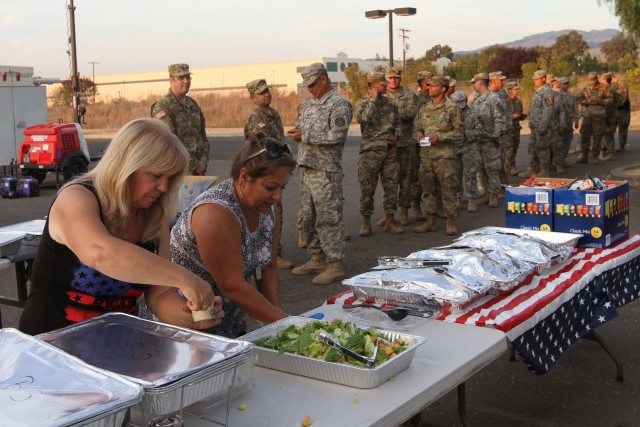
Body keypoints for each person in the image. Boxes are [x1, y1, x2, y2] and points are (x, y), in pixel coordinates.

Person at [18, 118, 223, 335]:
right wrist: (185, 278)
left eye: (169, 178)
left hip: (115, 347)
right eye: (155, 175)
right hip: (51, 346)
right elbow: (100, 253)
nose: (163, 187)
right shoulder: (76, 197)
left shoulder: (154, 216)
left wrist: (189, 316)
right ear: (126, 166)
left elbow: (160, 295)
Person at [171, 135, 294, 338]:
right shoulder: (215, 213)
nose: (278, 196)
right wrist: (287, 324)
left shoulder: (267, 206)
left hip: (230, 318)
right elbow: (232, 285)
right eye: (271, 187)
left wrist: (277, 327)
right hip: (189, 325)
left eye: (283, 187)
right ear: (244, 177)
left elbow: (269, 267)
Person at [288, 63, 353, 285]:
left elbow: (336, 136)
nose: (310, 89)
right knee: (309, 218)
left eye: (313, 84)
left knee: (328, 219)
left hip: (326, 171)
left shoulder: (339, 104)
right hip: (307, 168)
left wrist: (305, 136)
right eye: (307, 85)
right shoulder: (308, 103)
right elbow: (301, 127)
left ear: (324, 79)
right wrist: (298, 133)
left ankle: (335, 264)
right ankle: (317, 258)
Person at [243, 79, 294, 270]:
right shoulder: (254, 118)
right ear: (252, 97)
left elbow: (279, 141)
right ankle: (268, 254)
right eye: (261, 92)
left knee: (276, 213)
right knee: (264, 213)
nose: (267, 95)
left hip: (277, 170)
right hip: (264, 174)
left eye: (267, 91)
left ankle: (274, 252)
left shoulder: (273, 114)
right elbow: (252, 148)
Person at [412, 75, 464, 235]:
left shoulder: (452, 108)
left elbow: (460, 133)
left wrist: (440, 137)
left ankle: (450, 221)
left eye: (433, 86)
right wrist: (419, 136)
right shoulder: (424, 108)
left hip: (445, 157)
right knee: (428, 190)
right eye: (428, 86)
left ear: (443, 89)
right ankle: (430, 221)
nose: (429, 88)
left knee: (448, 190)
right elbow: (416, 128)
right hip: (426, 156)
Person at [354, 72, 403, 236]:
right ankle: (366, 223)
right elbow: (363, 119)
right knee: (367, 189)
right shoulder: (362, 102)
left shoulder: (391, 103)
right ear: (374, 86)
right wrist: (373, 100)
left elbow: (398, 123)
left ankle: (390, 221)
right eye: (382, 84)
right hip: (370, 152)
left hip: (389, 151)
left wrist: (396, 135)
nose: (386, 86)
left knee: (391, 187)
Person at [152, 63, 210, 176]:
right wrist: (195, 165)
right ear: (171, 80)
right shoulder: (163, 106)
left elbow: (203, 136)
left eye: (188, 77)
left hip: (199, 172)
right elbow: (170, 142)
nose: (186, 81)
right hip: (178, 173)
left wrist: (204, 161)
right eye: (181, 78)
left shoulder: (193, 104)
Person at [382, 66, 422, 227]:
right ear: (386, 78)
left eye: (396, 77)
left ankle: (405, 210)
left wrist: (390, 114)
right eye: (391, 77)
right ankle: (389, 213)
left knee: (407, 179)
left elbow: (412, 113)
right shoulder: (381, 95)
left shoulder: (409, 95)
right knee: (388, 181)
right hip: (388, 145)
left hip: (406, 143)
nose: (394, 80)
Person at [465, 73, 505, 208]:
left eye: (474, 82)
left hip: (490, 140)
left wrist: (495, 136)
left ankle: (493, 194)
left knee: (492, 168)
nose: (473, 85)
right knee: (480, 169)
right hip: (478, 140)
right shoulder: (477, 100)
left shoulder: (494, 99)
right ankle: (487, 193)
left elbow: (500, 119)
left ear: (481, 82)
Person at [520, 70, 557, 177]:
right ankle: (532, 169)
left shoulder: (547, 91)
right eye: (534, 79)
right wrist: (531, 121)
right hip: (535, 125)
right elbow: (534, 108)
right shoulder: (538, 91)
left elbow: (548, 110)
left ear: (543, 79)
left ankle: (544, 171)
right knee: (532, 147)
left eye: (537, 79)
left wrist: (543, 126)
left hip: (542, 127)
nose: (535, 81)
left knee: (542, 148)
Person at [450, 90, 481, 213]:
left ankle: (472, 199)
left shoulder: (473, 113)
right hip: (454, 147)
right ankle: (458, 198)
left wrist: (466, 134)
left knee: (470, 174)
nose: (458, 104)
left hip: (469, 147)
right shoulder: (450, 113)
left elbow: (480, 131)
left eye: (460, 102)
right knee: (455, 174)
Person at [576, 71, 613, 165]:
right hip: (587, 115)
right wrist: (586, 102)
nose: (592, 84)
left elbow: (610, 100)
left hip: (599, 116)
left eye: (594, 82)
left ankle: (595, 156)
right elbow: (578, 97)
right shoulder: (586, 88)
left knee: (597, 137)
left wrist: (599, 101)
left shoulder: (604, 88)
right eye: (591, 82)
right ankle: (584, 155)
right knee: (584, 135)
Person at [505, 81, 527, 176]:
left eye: (517, 89)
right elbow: (501, 115)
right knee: (509, 148)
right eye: (515, 89)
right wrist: (511, 116)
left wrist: (522, 116)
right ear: (509, 90)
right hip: (508, 129)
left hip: (516, 128)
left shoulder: (518, 102)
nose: (517, 91)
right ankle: (510, 166)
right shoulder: (504, 102)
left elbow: (520, 112)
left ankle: (508, 166)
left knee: (515, 148)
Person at [612, 73, 631, 152]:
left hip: (622, 111)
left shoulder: (621, 84)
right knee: (610, 129)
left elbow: (622, 99)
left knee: (622, 128)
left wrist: (611, 104)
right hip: (614, 111)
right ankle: (609, 147)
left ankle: (621, 145)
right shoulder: (612, 85)